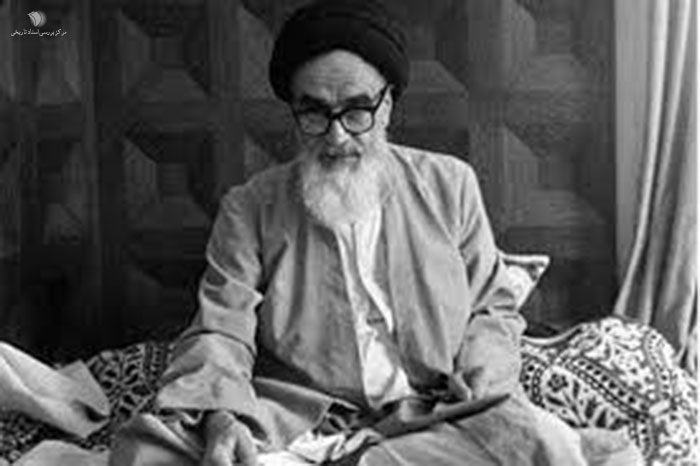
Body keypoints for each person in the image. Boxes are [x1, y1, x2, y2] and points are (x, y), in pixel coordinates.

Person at [110, 1, 642, 465]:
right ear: (294, 112)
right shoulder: (249, 208)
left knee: (545, 446)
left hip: (433, 411)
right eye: (314, 113)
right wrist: (222, 416)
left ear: (387, 105)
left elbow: (492, 307)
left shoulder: (449, 184)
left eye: (357, 110)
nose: (337, 136)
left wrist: (482, 378)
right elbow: (221, 330)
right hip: (299, 417)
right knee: (151, 454)